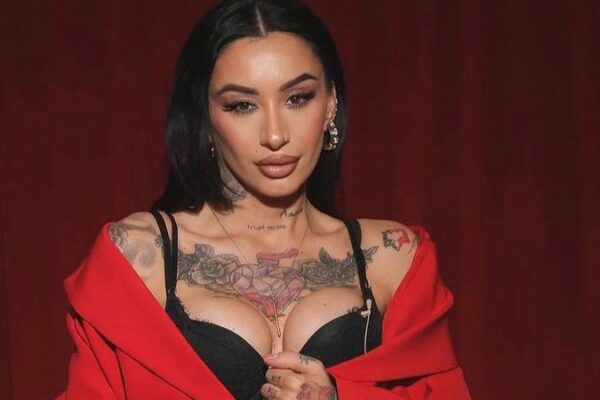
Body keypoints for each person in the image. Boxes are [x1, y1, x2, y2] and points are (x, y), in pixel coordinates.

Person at [59, 0, 471, 399]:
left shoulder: (392, 258)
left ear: (331, 103)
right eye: (242, 105)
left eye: (298, 98)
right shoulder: (137, 257)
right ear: (205, 115)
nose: (275, 135)